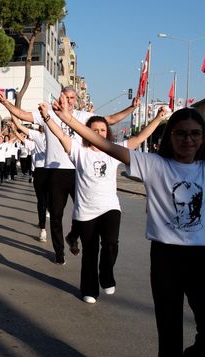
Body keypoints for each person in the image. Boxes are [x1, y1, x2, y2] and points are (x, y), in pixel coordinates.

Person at [46, 99, 205, 357]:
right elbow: (107, 146)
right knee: (169, 340)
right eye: (181, 133)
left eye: (194, 134)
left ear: (202, 138)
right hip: (165, 260)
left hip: (200, 261)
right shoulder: (153, 165)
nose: (188, 139)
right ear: (170, 136)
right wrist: (68, 121)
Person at [0, 88, 138, 265]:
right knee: (56, 214)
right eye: (66, 97)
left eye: (73, 98)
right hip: (54, 172)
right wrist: (5, 103)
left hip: (78, 169)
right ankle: (59, 253)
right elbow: (22, 114)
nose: (70, 100)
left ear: (76, 100)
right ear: (60, 97)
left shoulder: (84, 116)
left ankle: (73, 235)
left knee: (82, 211)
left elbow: (109, 120)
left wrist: (131, 109)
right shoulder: (47, 112)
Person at [43, 105, 168, 304]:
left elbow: (139, 139)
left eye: (102, 130)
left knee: (111, 244)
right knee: (90, 252)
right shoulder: (79, 151)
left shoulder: (113, 151)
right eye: (94, 130)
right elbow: (62, 136)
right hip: (86, 212)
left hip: (110, 207)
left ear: (107, 133)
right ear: (87, 132)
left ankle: (106, 274)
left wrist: (158, 119)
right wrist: (47, 118)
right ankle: (89, 290)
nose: (99, 133)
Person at [12, 119, 47, 242]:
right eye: (41, 125)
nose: (43, 127)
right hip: (40, 171)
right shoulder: (36, 139)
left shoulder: (56, 138)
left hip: (54, 171)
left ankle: (48, 212)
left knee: (51, 201)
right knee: (41, 200)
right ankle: (42, 229)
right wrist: (14, 128)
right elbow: (22, 138)